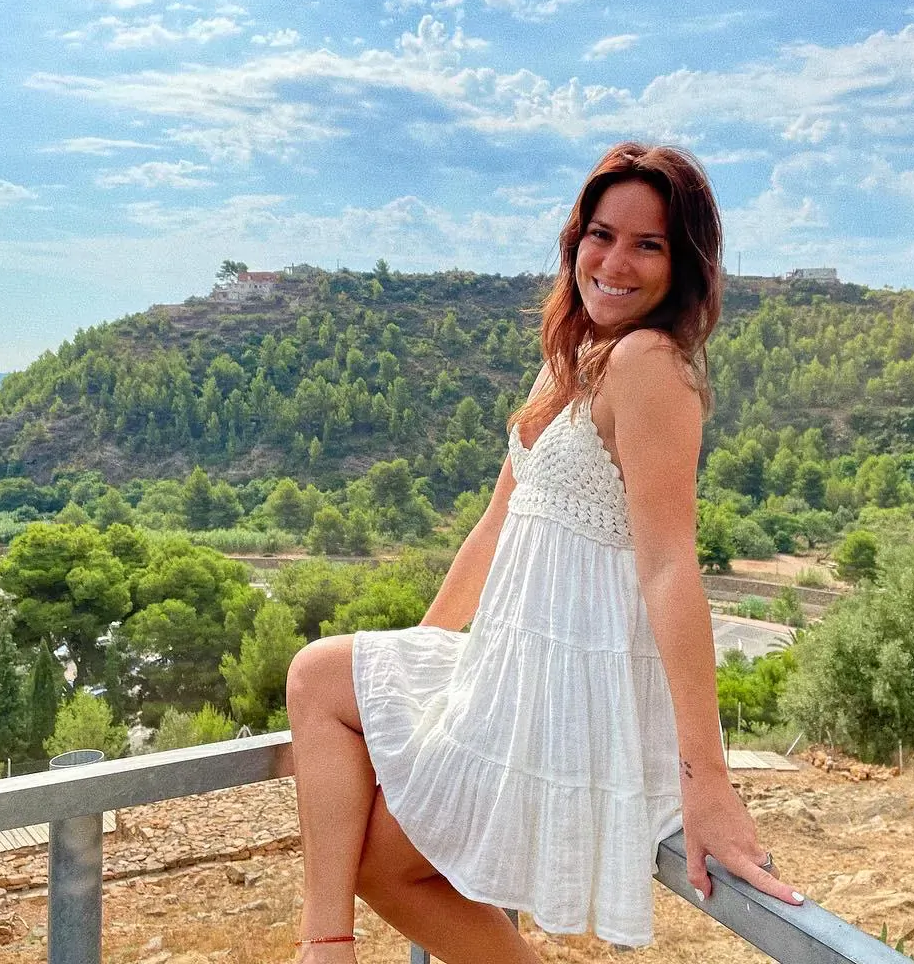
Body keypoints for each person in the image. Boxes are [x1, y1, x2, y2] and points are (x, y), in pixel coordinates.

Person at [284, 142, 801, 962]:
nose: (617, 261)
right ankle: (325, 948)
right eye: (602, 234)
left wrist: (709, 785)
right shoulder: (570, 359)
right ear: (575, 239)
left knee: (384, 861)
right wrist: (423, 661)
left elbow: (670, 568)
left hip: (564, 692)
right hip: (503, 666)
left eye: (649, 244)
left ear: (685, 265)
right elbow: (495, 524)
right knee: (319, 680)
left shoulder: (649, 364)